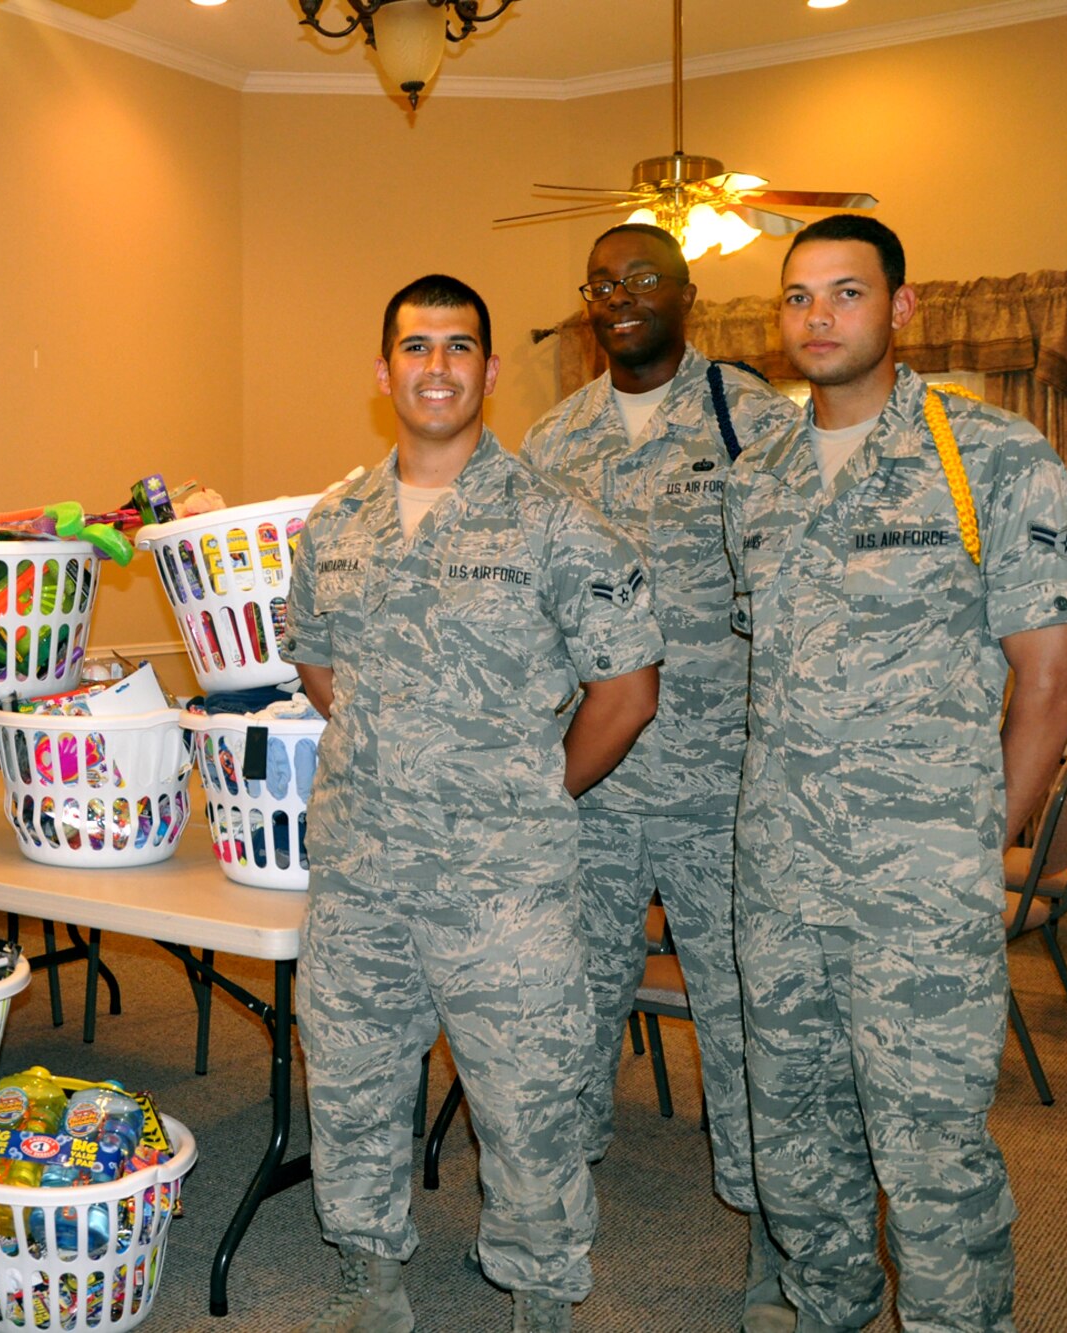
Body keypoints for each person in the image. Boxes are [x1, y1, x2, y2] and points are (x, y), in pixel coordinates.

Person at [724, 215, 1067, 1332]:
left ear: (899, 307)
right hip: (778, 876)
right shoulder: (758, 475)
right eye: (797, 296)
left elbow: (1050, 681)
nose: (817, 316)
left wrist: (976, 847)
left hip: (918, 885)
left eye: (844, 292)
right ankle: (822, 1308)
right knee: (795, 1142)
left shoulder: (988, 456)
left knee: (930, 1156)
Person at [286, 275, 664, 1333]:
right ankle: (368, 1269)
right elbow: (324, 668)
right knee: (353, 1084)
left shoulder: (558, 524)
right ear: (382, 371)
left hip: (504, 886)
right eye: (415, 347)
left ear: (489, 372)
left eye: (458, 348)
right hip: (360, 872)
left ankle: (541, 1290)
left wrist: (526, 785)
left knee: (526, 1099)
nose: (436, 366)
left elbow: (625, 694)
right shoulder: (335, 524)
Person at [522, 224, 801, 1320]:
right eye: (599, 283)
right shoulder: (551, 439)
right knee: (557, 1016)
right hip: (587, 792)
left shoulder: (752, 421)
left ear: (687, 294)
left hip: (717, 792)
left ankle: (777, 1247)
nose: (618, 296)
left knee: (747, 1029)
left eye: (641, 278)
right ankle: (543, 1241)